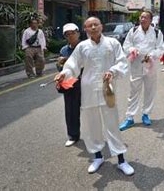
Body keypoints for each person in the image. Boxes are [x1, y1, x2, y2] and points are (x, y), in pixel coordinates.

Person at [54, 17, 134, 175]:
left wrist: (112, 71)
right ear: (85, 29)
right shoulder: (82, 47)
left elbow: (122, 62)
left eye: (95, 24)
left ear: (101, 26)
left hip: (107, 90)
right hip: (88, 90)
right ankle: (98, 157)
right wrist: (64, 74)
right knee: (92, 125)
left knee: (112, 125)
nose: (93, 27)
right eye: (89, 26)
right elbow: (73, 64)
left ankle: (121, 160)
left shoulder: (113, 43)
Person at [119, 11, 164, 130]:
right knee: (133, 91)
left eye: (145, 17)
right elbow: (126, 46)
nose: (143, 19)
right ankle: (130, 117)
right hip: (136, 65)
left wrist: (152, 54)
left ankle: (146, 114)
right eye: (141, 17)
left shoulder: (156, 32)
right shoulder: (133, 31)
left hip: (150, 65)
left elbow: (160, 49)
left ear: (150, 20)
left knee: (150, 91)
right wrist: (132, 49)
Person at [56, 23, 82, 147]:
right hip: (70, 84)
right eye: (67, 34)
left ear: (78, 33)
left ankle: (95, 135)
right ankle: (73, 135)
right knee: (71, 110)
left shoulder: (85, 46)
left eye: (73, 33)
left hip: (86, 81)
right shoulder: (63, 50)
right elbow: (60, 68)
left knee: (91, 109)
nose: (71, 36)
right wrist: (60, 64)